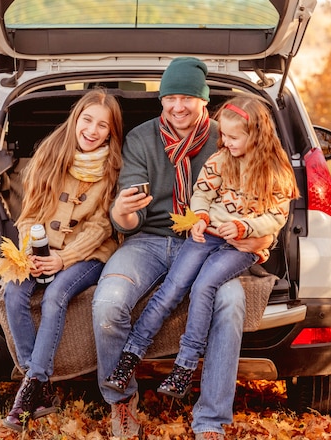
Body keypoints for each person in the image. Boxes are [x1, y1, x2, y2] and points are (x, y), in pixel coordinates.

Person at [91, 57, 273, 440]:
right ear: (161, 100)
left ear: (204, 101)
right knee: (108, 302)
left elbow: (261, 199)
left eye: (187, 97)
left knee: (230, 302)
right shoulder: (142, 139)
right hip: (150, 241)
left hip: (212, 243)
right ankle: (122, 402)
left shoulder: (227, 138)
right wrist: (122, 213)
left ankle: (211, 420)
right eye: (170, 97)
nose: (177, 106)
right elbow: (130, 219)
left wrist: (258, 236)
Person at [104, 96, 299, 400]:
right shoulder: (222, 159)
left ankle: (184, 367)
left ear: (256, 136)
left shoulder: (276, 171)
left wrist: (244, 228)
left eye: (233, 137)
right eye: (224, 137)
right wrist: (201, 217)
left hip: (239, 246)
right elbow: (202, 192)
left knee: (204, 286)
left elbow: (277, 216)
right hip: (208, 233)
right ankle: (131, 355)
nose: (226, 142)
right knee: (173, 288)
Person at [2, 89, 123, 432]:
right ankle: (38, 387)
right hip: (41, 249)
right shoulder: (50, 154)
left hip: (88, 254)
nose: (92, 130)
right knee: (13, 292)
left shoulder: (113, 168)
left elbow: (101, 226)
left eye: (103, 125)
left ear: (111, 132)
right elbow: (29, 214)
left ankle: (32, 386)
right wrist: (32, 251)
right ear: (75, 119)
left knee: (56, 296)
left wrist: (63, 259)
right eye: (87, 120)